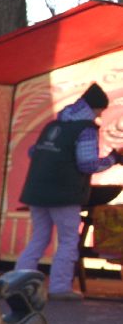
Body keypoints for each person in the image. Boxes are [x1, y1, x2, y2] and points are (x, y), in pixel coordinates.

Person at [16, 81, 122, 300]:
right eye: (101, 110)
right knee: (67, 240)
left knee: (39, 238)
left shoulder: (53, 126)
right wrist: (114, 158)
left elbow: (33, 152)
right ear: (96, 108)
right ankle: (60, 288)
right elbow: (87, 164)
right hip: (64, 194)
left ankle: (17, 283)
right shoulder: (85, 129)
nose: (101, 114)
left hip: (36, 192)